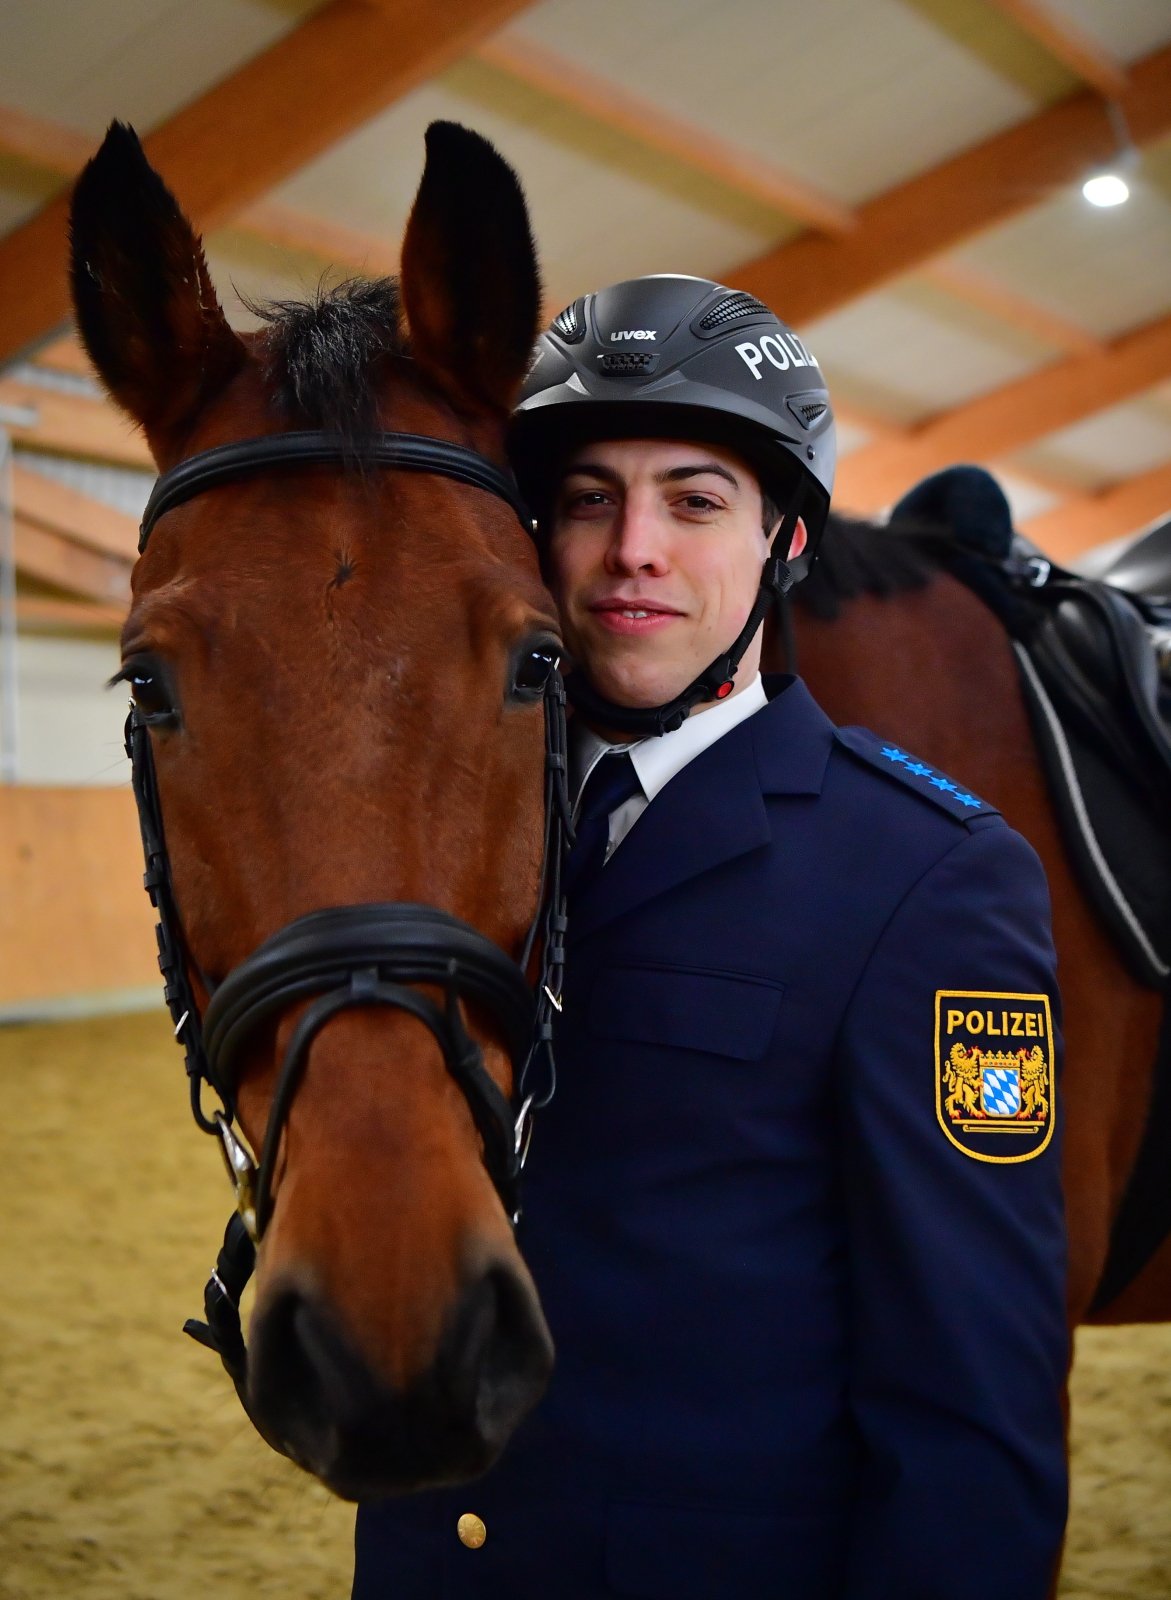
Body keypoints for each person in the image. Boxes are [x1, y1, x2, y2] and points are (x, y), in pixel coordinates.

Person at [352, 276, 1069, 1599]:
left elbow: (974, 1401)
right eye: (587, 500)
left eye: (695, 500)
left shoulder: (928, 879)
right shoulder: (431, 838)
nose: (634, 549)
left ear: (787, 539)